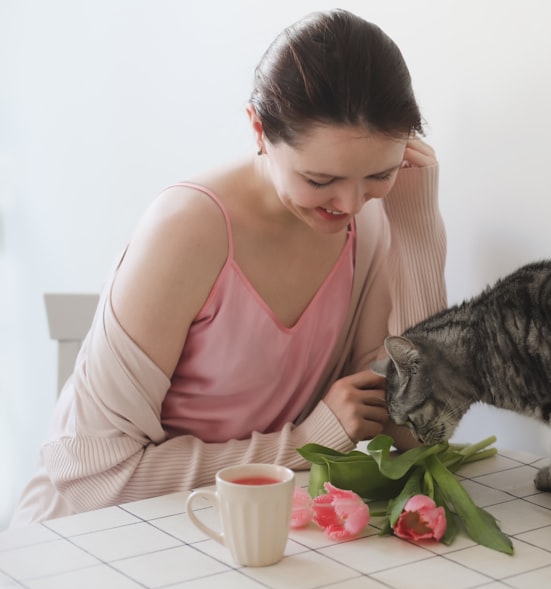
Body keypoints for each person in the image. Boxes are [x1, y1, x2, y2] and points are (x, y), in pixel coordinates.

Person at [9, 9, 447, 526]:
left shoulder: (369, 223)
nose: (350, 203)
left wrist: (418, 234)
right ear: (259, 129)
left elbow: (417, 432)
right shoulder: (188, 231)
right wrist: (305, 443)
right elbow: (91, 478)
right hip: (89, 545)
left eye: (380, 173)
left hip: (228, 538)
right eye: (320, 178)